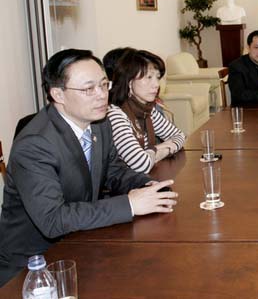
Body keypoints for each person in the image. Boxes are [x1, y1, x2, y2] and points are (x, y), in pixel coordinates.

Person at [0, 49, 178, 287]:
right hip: (33, 266)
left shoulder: (98, 123)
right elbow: (53, 219)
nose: (102, 95)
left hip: (81, 241)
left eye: (104, 85)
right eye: (88, 89)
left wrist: (146, 185)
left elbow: (114, 171)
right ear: (58, 94)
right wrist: (129, 204)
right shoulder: (34, 145)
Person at [108, 50, 185, 173]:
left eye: (157, 77)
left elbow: (179, 136)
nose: (156, 84)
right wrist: (158, 148)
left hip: (147, 178)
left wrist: (156, 152)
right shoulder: (115, 114)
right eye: (149, 77)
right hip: (125, 183)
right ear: (129, 82)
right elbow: (141, 164)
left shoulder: (147, 109)